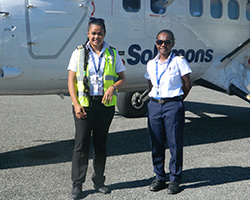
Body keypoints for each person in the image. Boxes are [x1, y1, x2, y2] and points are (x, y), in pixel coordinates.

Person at [67, 17, 126, 199]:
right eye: (93, 33)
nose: (96, 36)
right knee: (81, 144)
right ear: (88, 34)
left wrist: (113, 87)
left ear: (104, 34)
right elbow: (70, 80)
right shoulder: (78, 53)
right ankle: (77, 184)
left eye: (100, 33)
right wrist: (76, 104)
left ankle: (99, 181)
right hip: (84, 105)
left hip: (104, 105)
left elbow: (122, 78)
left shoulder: (112, 53)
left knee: (100, 145)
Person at [144, 29, 192, 194]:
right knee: (156, 142)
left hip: (173, 105)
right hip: (155, 105)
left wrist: (176, 100)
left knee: (174, 144)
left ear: (173, 43)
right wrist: (157, 99)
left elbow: (187, 84)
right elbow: (151, 85)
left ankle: (174, 179)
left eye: (167, 42)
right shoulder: (151, 64)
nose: (163, 45)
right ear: (156, 43)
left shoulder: (179, 62)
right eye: (160, 42)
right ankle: (159, 176)